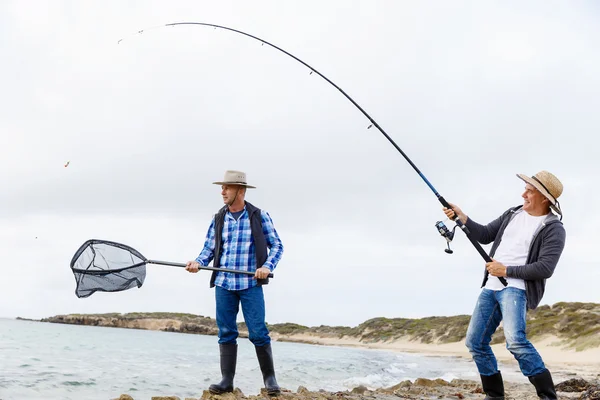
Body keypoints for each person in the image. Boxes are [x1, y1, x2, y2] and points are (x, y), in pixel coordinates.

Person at [442, 171, 565, 400]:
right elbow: (486, 234)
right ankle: (494, 395)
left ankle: (548, 396)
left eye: (529, 190)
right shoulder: (512, 213)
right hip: (491, 287)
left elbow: (545, 268)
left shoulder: (553, 228)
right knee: (475, 342)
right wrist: (463, 217)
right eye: (525, 188)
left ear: (544, 197)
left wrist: (506, 270)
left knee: (516, 342)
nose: (523, 194)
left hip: (516, 289)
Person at [185, 170, 284, 395]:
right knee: (226, 332)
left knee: (258, 332)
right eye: (222, 188)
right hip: (224, 284)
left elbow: (277, 245)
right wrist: (197, 262)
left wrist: (267, 267)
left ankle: (270, 380)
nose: (222, 192)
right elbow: (208, 248)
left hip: (250, 285)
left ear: (240, 190)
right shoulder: (218, 218)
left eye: (226, 188)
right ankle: (226, 381)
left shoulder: (259, 216)